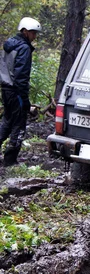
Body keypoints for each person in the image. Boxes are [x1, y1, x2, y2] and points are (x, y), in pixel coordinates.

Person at [0, 17, 41, 166]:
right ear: (25, 31)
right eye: (32, 33)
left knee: (7, 121)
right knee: (19, 124)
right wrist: (25, 100)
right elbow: (21, 76)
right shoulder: (23, 48)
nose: (34, 36)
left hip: (5, 88)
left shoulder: (9, 44)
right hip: (16, 91)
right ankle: (10, 160)